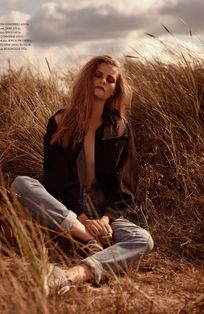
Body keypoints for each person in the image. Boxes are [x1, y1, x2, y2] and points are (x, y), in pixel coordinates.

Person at [11, 55, 154, 296]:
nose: (103, 81)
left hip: (104, 212)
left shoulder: (120, 128)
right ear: (87, 79)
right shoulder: (60, 121)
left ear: (114, 91)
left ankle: (71, 275)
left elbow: (126, 185)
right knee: (21, 184)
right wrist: (83, 218)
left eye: (110, 80)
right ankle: (87, 238)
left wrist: (107, 219)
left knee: (143, 240)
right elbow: (56, 180)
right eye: (98, 75)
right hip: (67, 209)